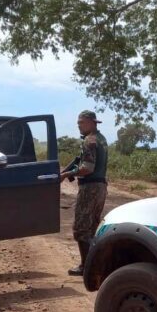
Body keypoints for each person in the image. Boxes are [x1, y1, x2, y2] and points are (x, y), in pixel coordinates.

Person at [60, 110, 108, 276]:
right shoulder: (101, 139)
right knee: (93, 228)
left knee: (81, 229)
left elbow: (87, 168)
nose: (78, 126)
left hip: (90, 188)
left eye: (81, 123)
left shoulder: (90, 141)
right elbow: (83, 162)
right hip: (101, 187)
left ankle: (85, 267)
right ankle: (96, 266)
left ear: (90, 122)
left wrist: (67, 174)